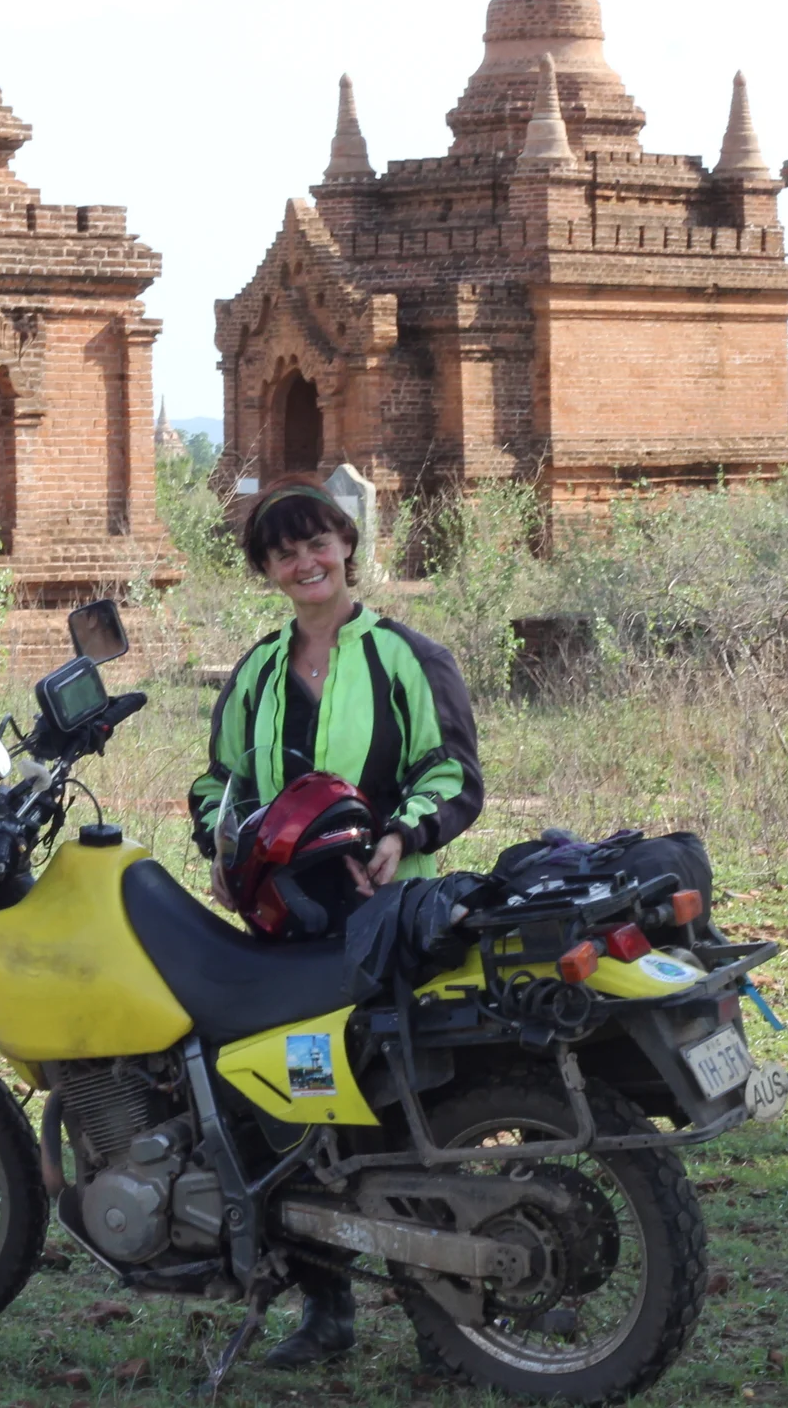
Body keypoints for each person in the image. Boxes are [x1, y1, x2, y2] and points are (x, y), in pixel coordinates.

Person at [184, 474, 486, 1372]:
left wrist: (403, 832)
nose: (304, 562)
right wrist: (222, 838)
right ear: (268, 571)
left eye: (317, 543)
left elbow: (454, 771)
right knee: (290, 1107)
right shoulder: (259, 672)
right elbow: (217, 781)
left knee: (399, 1112)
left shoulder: (405, 656)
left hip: (386, 919)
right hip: (286, 925)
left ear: (346, 546)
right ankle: (327, 1309)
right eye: (283, 552)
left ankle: (450, 1317)